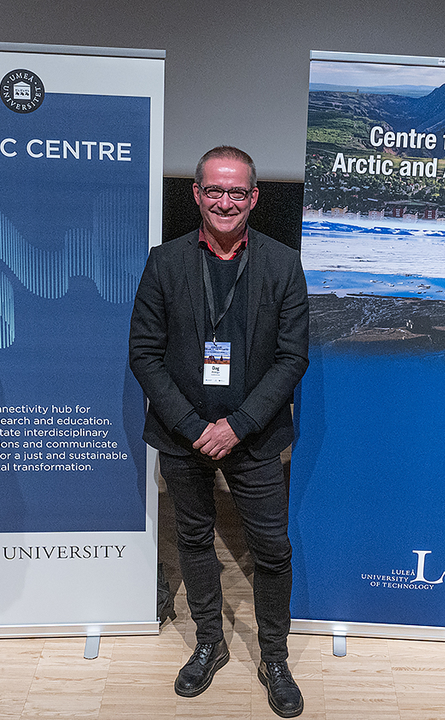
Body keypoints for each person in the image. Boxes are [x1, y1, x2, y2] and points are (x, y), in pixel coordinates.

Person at [129, 146, 309, 718]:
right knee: (194, 540)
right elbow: (144, 353)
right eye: (214, 191)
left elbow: (291, 358)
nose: (225, 202)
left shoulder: (282, 264)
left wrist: (237, 425)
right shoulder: (165, 262)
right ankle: (209, 643)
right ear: (197, 195)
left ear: (254, 198)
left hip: (253, 438)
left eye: (237, 192)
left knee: (272, 550)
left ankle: (274, 656)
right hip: (183, 438)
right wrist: (191, 426)